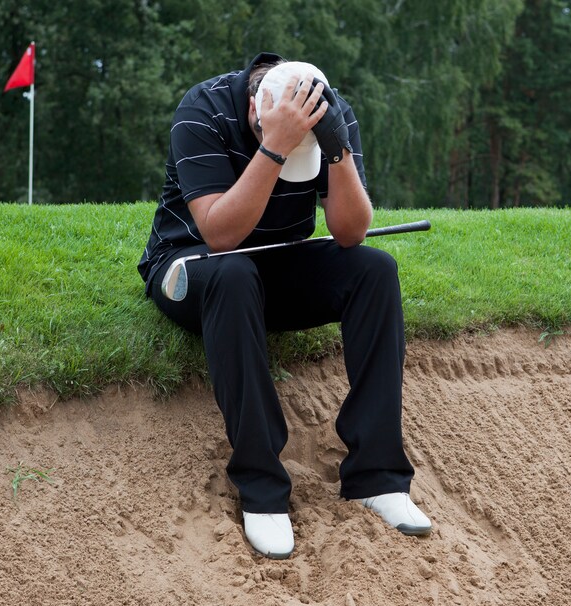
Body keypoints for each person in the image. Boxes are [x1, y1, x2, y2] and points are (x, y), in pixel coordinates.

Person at [137, 52, 432, 559]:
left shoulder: (329, 107)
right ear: (255, 107)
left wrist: (334, 149)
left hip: (278, 263)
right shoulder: (203, 109)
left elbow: (350, 232)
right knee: (232, 272)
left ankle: (378, 478)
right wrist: (275, 147)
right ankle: (262, 488)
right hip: (192, 267)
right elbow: (221, 234)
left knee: (375, 269)